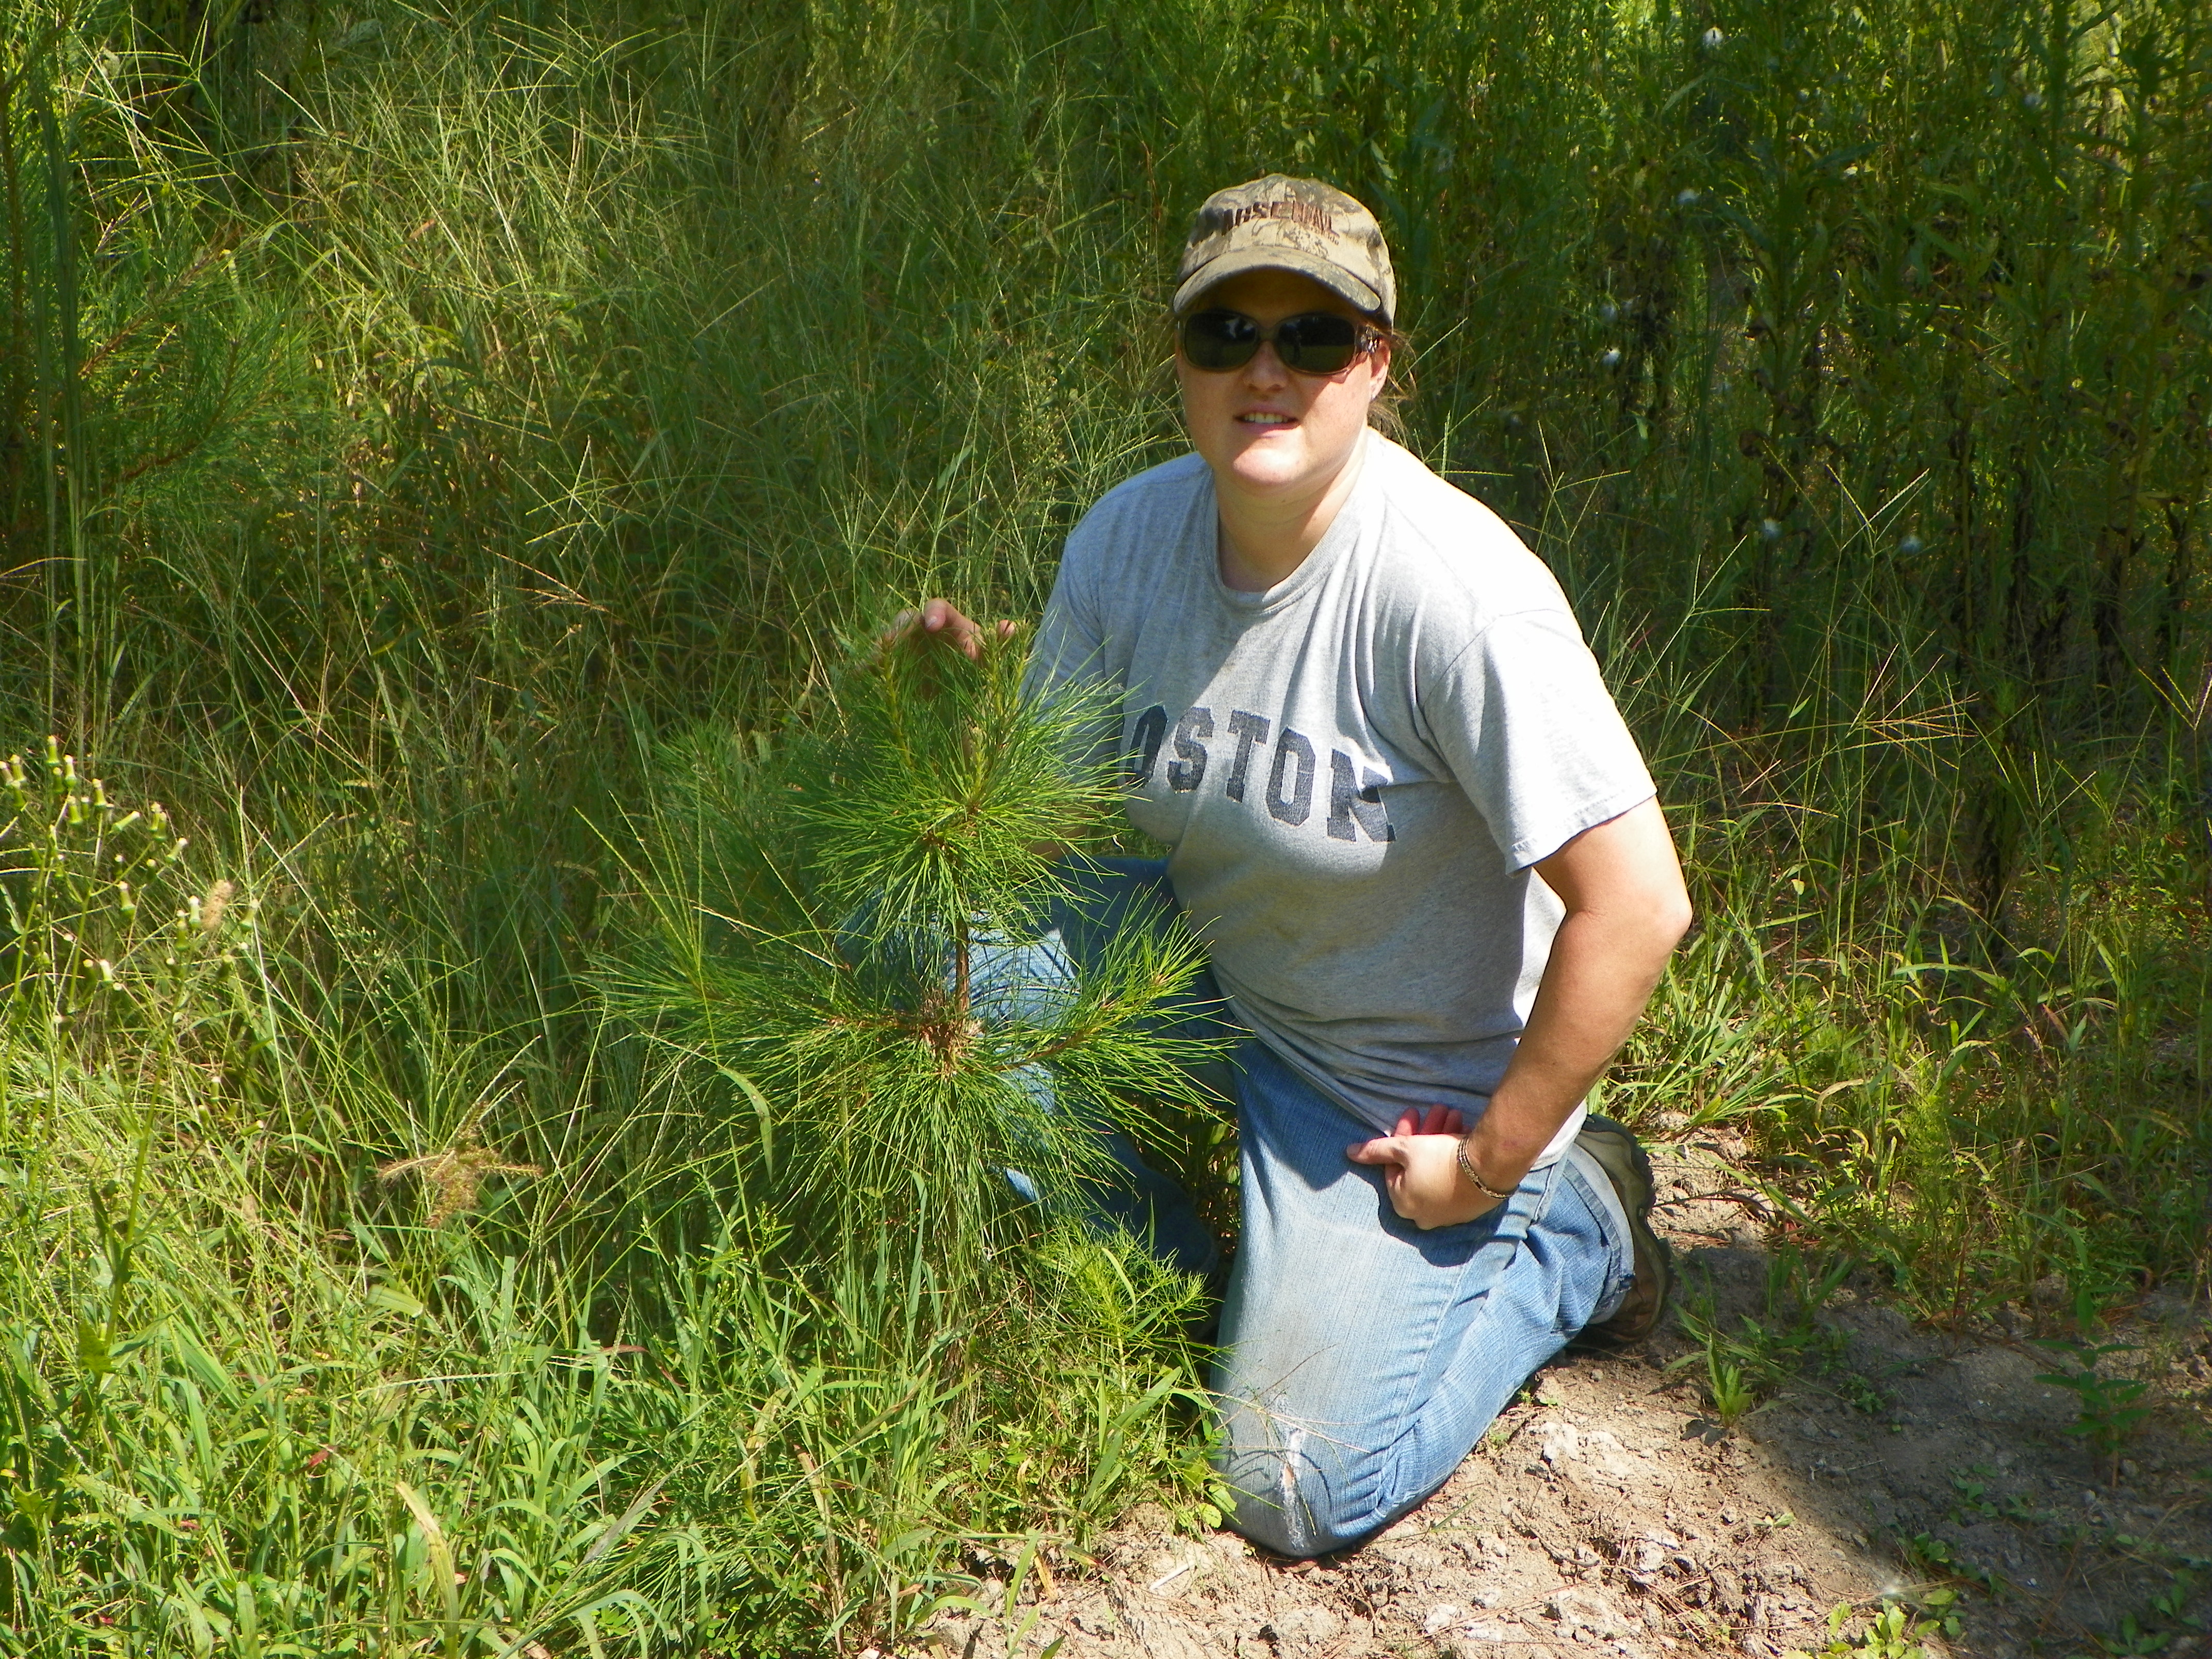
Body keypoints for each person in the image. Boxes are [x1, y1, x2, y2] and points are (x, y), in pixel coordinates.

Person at [897, 175, 1692, 1559]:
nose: (1266, 371)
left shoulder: (1452, 596)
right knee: (915, 942)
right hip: (1212, 973)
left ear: (1376, 366)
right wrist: (948, 731)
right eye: (1227, 334)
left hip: (1392, 1087)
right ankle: (1175, 1271)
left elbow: (1638, 902)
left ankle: (1578, 1226)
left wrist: (1492, 1161)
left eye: (1314, 337)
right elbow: (1045, 844)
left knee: (1292, 1488)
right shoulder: (1128, 540)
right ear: (1182, 363)